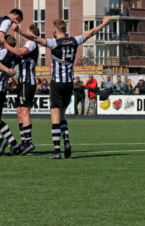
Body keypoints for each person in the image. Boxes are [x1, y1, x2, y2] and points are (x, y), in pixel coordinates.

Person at [19, 17, 110, 159]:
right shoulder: (74, 40)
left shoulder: (54, 43)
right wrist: (103, 24)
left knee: (55, 118)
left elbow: (35, 38)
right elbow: (91, 32)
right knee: (62, 116)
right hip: (69, 83)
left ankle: (57, 151)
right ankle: (66, 141)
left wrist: (18, 31)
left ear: (55, 30)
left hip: (57, 83)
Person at [2, 24, 41, 154]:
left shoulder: (31, 43)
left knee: (24, 111)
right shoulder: (27, 45)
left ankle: (28, 143)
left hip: (27, 82)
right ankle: (24, 142)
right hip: (22, 83)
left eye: (26, 32)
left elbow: (19, 52)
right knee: (19, 112)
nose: (23, 34)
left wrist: (5, 45)